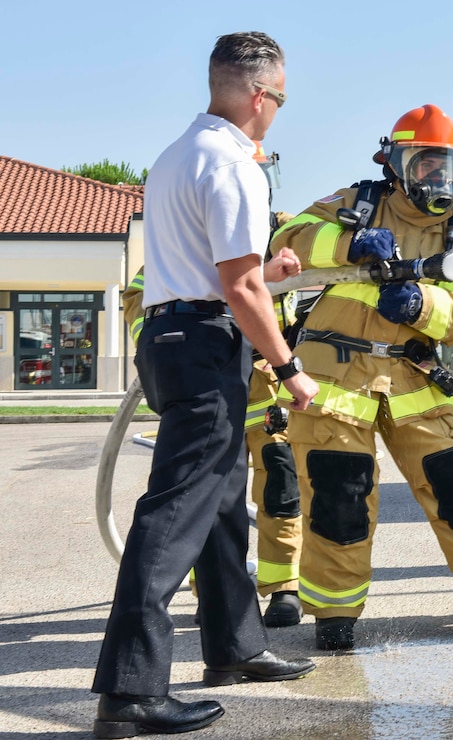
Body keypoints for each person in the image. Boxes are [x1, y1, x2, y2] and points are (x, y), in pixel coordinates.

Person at [92, 32, 318, 739]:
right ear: (261, 96)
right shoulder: (235, 166)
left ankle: (235, 647)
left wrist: (267, 277)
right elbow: (238, 286)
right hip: (204, 344)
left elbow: (221, 270)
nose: (277, 110)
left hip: (170, 335)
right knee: (173, 515)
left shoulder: (176, 157)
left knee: (221, 502)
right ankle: (130, 695)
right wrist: (288, 366)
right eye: (280, 98)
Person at [271, 104, 453, 651]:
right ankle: (334, 615)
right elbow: (290, 240)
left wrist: (422, 303)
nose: (436, 178)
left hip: (412, 381)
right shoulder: (354, 204)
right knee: (338, 499)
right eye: (425, 165)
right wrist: (349, 244)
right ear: (396, 163)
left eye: (446, 167)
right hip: (338, 381)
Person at [121, 147, 305, 630]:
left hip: (266, 387)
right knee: (205, 499)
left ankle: (282, 587)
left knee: (281, 488)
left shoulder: (280, 235)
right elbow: (143, 304)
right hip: (210, 381)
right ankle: (213, 596)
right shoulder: (186, 240)